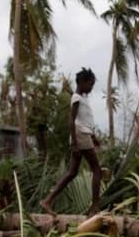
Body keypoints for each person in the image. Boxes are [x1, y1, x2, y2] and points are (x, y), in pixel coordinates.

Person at [40, 67, 102, 216]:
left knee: (72, 173)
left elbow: (85, 120)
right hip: (80, 136)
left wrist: (93, 137)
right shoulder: (76, 98)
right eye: (90, 84)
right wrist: (75, 143)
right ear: (82, 82)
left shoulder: (83, 99)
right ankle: (94, 207)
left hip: (83, 135)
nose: (92, 87)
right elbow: (72, 121)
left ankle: (47, 201)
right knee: (97, 170)